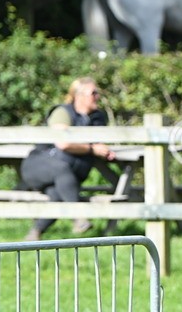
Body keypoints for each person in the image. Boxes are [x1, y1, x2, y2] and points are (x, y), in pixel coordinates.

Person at [20, 77, 117, 241]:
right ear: (79, 95)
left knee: (59, 194)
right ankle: (78, 217)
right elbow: (63, 143)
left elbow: (99, 143)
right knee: (62, 170)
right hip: (38, 166)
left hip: (68, 173)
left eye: (97, 93)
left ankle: (35, 233)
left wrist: (105, 151)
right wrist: (92, 149)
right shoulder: (62, 113)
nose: (97, 96)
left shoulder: (98, 118)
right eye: (93, 93)